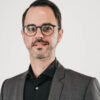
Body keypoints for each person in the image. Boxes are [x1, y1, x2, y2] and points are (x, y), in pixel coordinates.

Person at [0, 0, 100, 100]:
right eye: (31, 28)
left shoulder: (85, 86)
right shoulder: (8, 87)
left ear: (59, 34)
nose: (39, 35)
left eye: (47, 28)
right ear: (23, 35)